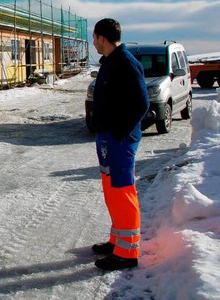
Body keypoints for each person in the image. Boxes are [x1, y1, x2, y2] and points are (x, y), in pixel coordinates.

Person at [90, 18, 149, 271]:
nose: (93, 43)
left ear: (102, 38)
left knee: (123, 192)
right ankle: (118, 240)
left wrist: (121, 133)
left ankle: (127, 253)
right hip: (107, 137)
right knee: (112, 190)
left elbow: (142, 103)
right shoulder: (111, 63)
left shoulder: (126, 63)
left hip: (120, 140)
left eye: (94, 38)